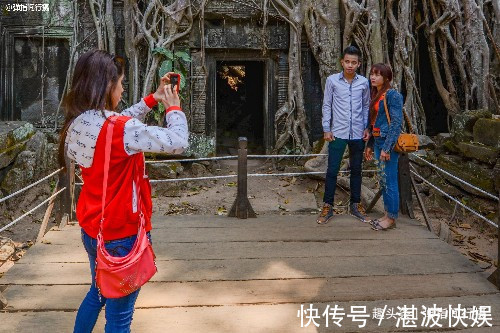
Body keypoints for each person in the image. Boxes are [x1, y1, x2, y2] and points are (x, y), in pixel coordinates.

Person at [57, 49, 189, 332]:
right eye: (121, 84)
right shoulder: (121, 129)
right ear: (107, 86)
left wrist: (154, 97)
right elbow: (177, 142)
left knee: (97, 293)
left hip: (93, 228)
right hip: (122, 235)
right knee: (119, 318)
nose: (123, 89)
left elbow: (115, 121)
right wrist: (173, 107)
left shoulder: (77, 123)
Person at [317, 46, 371, 225]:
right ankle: (328, 206)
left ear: (358, 64)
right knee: (332, 170)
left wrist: (366, 127)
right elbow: (327, 105)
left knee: (356, 170)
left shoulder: (363, 82)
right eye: (347, 62)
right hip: (337, 132)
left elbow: (365, 106)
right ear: (342, 62)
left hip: (357, 133)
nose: (350, 65)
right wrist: (327, 128)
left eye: (353, 62)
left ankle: (356, 205)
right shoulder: (332, 81)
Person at [364, 63, 403, 231]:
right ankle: (387, 214)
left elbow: (396, 123)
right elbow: (374, 124)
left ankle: (392, 218)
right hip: (378, 141)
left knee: (391, 180)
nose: (373, 77)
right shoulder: (375, 94)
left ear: (386, 78)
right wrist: (370, 145)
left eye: (378, 75)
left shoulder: (392, 95)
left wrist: (387, 148)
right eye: (372, 74)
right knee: (384, 180)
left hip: (388, 144)